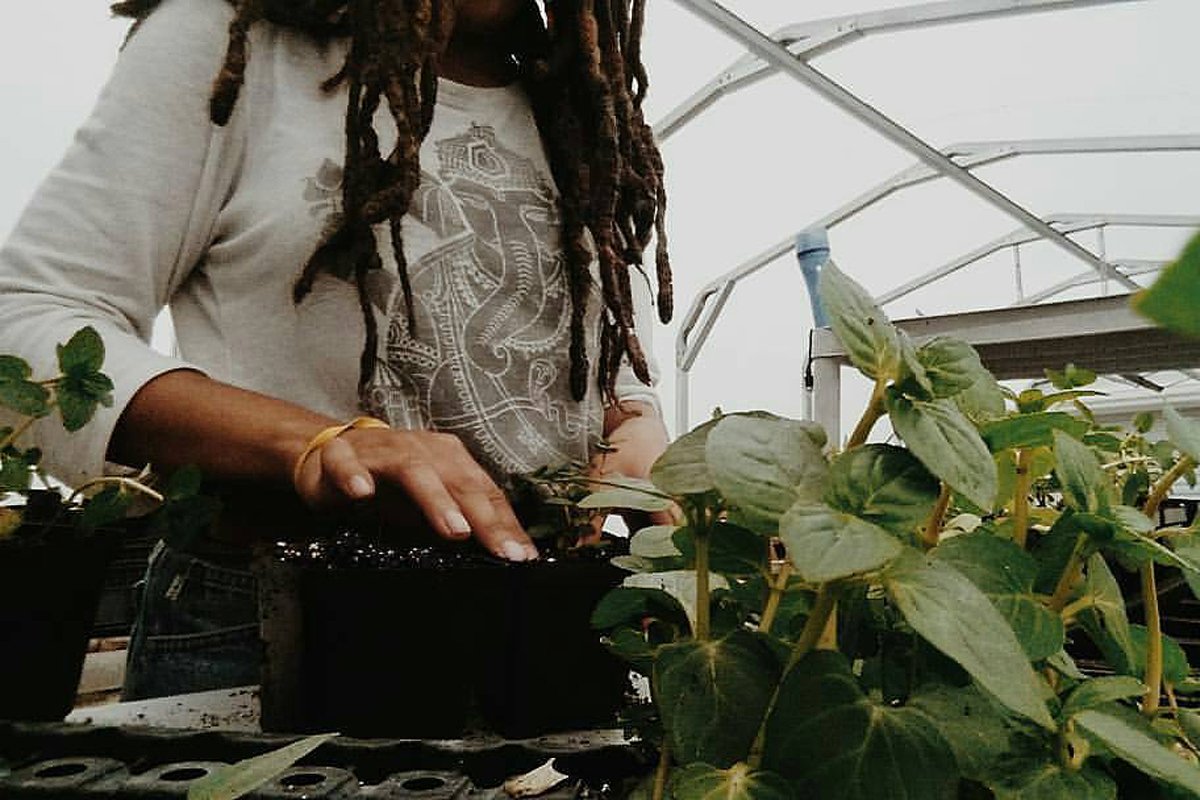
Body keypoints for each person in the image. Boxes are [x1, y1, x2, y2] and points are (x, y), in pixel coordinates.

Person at [0, 0, 674, 700]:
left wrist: (632, 426)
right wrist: (314, 444)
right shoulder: (238, 40)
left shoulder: (577, 96)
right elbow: (27, 321)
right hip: (278, 620)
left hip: (539, 616)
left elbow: (608, 358)